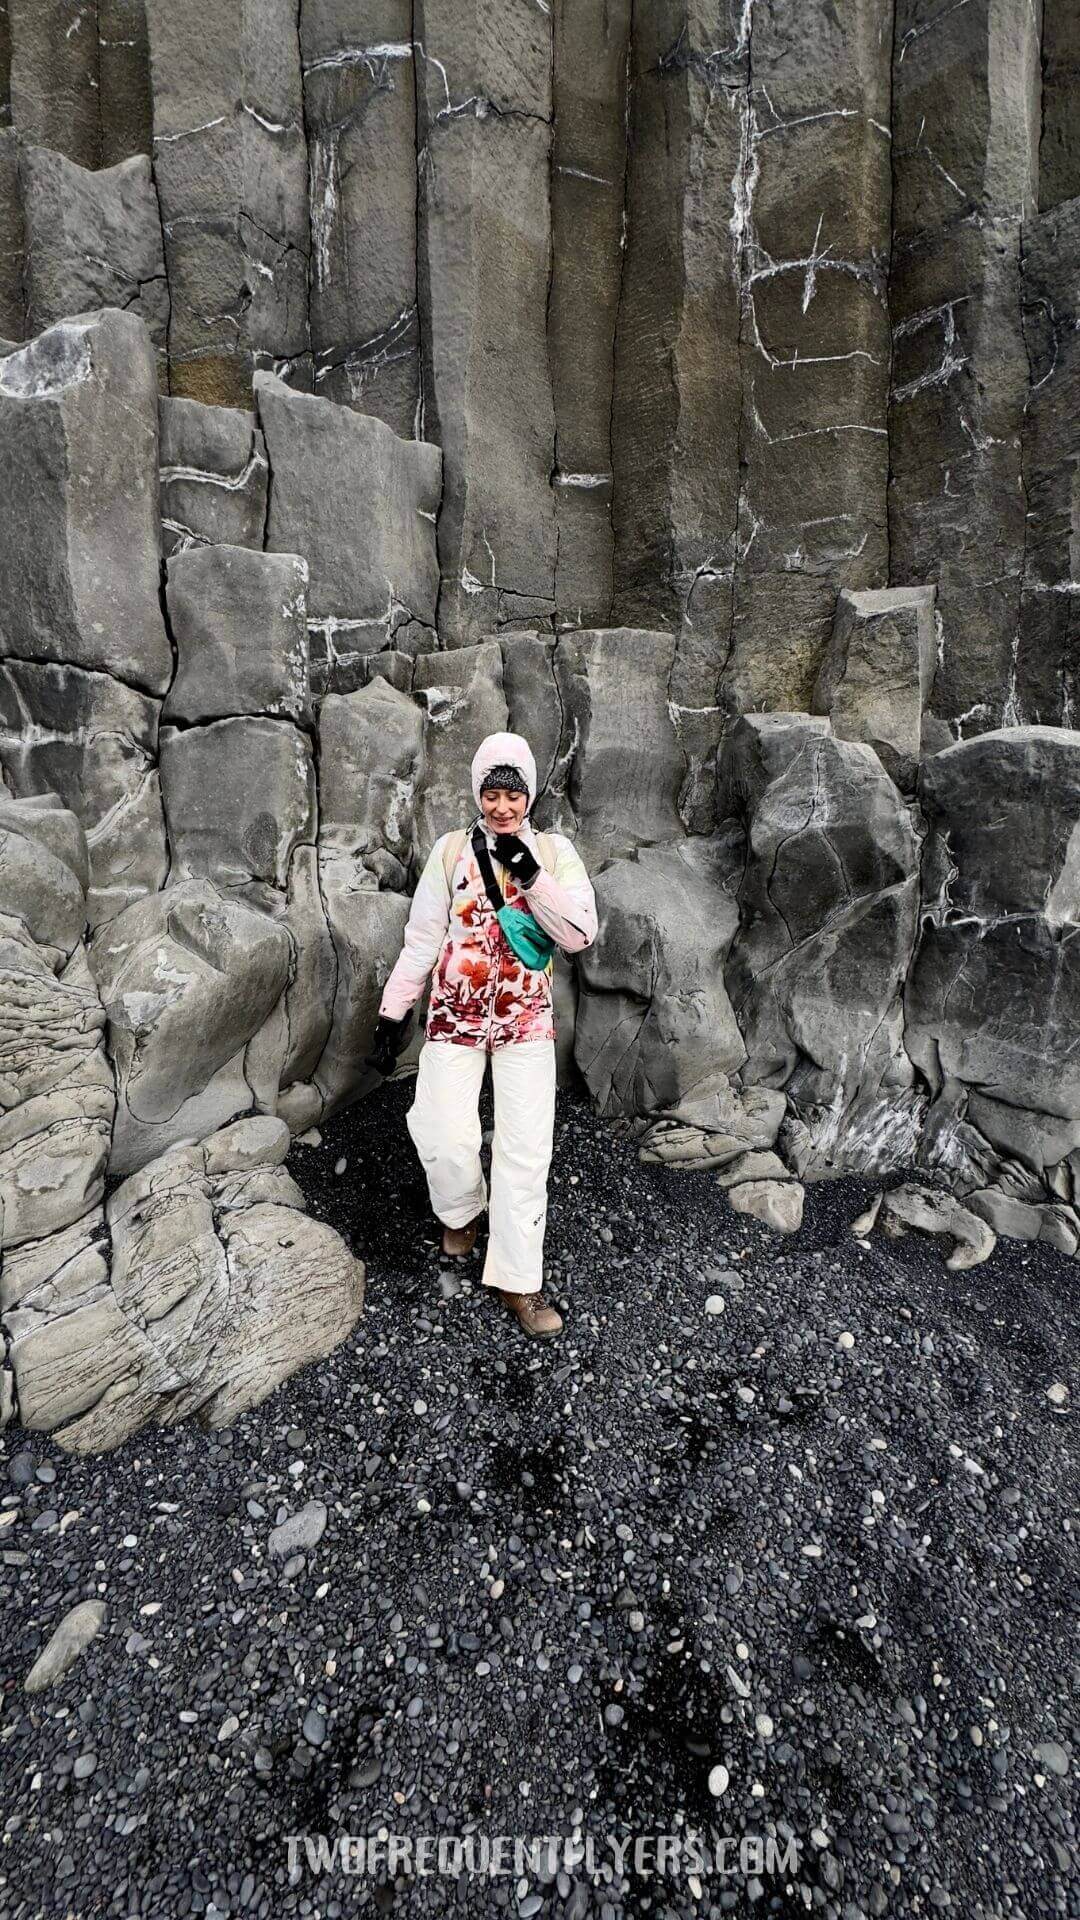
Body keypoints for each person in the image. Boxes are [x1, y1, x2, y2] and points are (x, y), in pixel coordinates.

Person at [366, 731, 598, 1338]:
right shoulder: (449, 852)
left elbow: (578, 934)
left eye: (512, 796)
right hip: (454, 1016)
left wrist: (529, 874)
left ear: (528, 797)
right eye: (492, 794)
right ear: (478, 793)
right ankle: (462, 1211)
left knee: (526, 1150)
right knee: (441, 1133)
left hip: (525, 1021)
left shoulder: (553, 851)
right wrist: (394, 1012)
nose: (502, 807)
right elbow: (421, 940)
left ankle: (518, 1281)